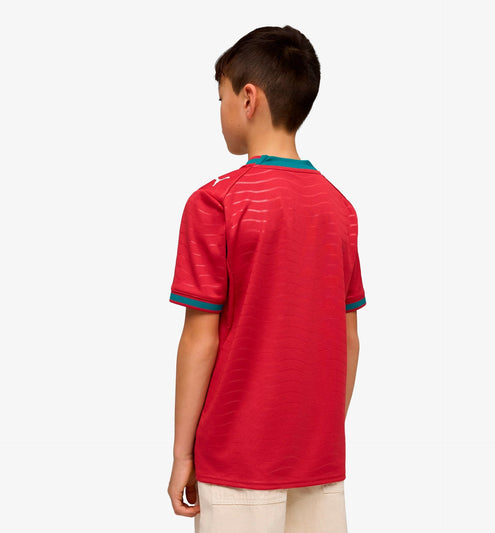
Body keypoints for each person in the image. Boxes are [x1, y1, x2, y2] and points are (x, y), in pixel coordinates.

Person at [167, 25, 366, 533]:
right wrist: (318, 436)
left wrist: (183, 455)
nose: (220, 111)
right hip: (319, 460)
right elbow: (348, 340)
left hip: (236, 458)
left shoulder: (216, 202)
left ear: (248, 99)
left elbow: (200, 340)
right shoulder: (340, 209)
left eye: (222, 98)